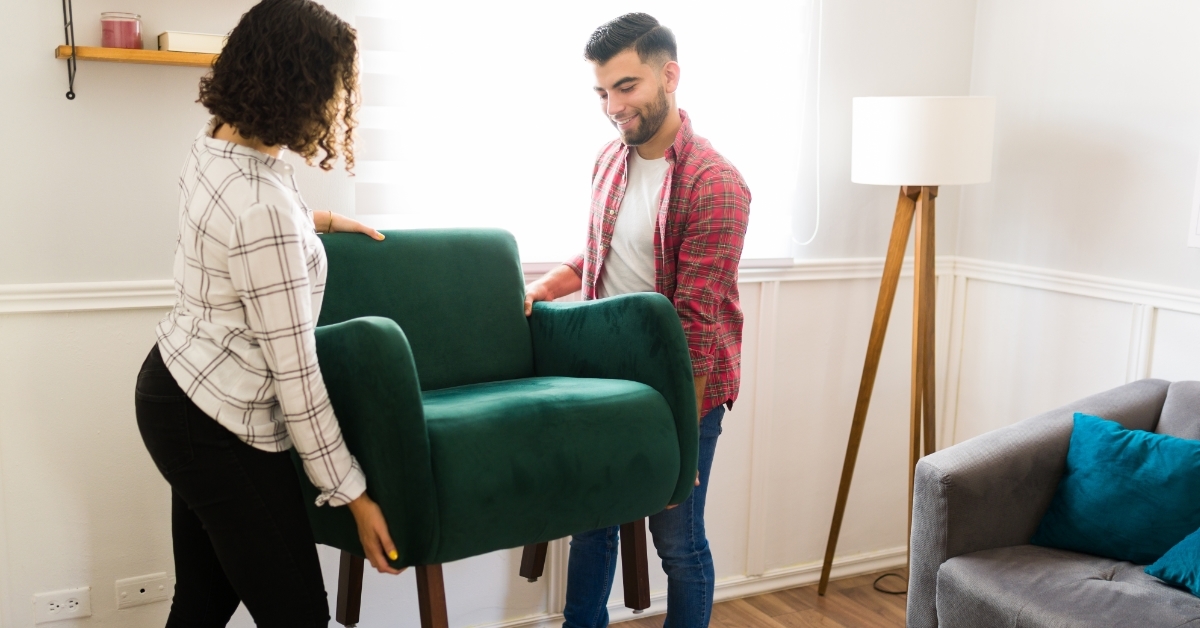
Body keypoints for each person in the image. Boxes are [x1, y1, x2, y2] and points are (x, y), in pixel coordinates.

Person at [134, 1, 401, 625]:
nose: (338, 104)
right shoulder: (262, 208)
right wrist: (353, 494)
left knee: (202, 602)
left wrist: (320, 221)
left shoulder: (217, 146)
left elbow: (240, 223)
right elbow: (297, 377)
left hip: (176, 385)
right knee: (298, 614)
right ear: (300, 89)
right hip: (216, 421)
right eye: (334, 88)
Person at [524, 13, 751, 628]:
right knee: (591, 522)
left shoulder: (716, 183)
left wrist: (684, 434)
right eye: (602, 92)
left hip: (683, 389)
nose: (612, 107)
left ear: (669, 76)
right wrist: (540, 289)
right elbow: (600, 255)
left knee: (677, 537)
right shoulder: (609, 160)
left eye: (626, 87)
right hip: (606, 377)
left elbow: (697, 325)